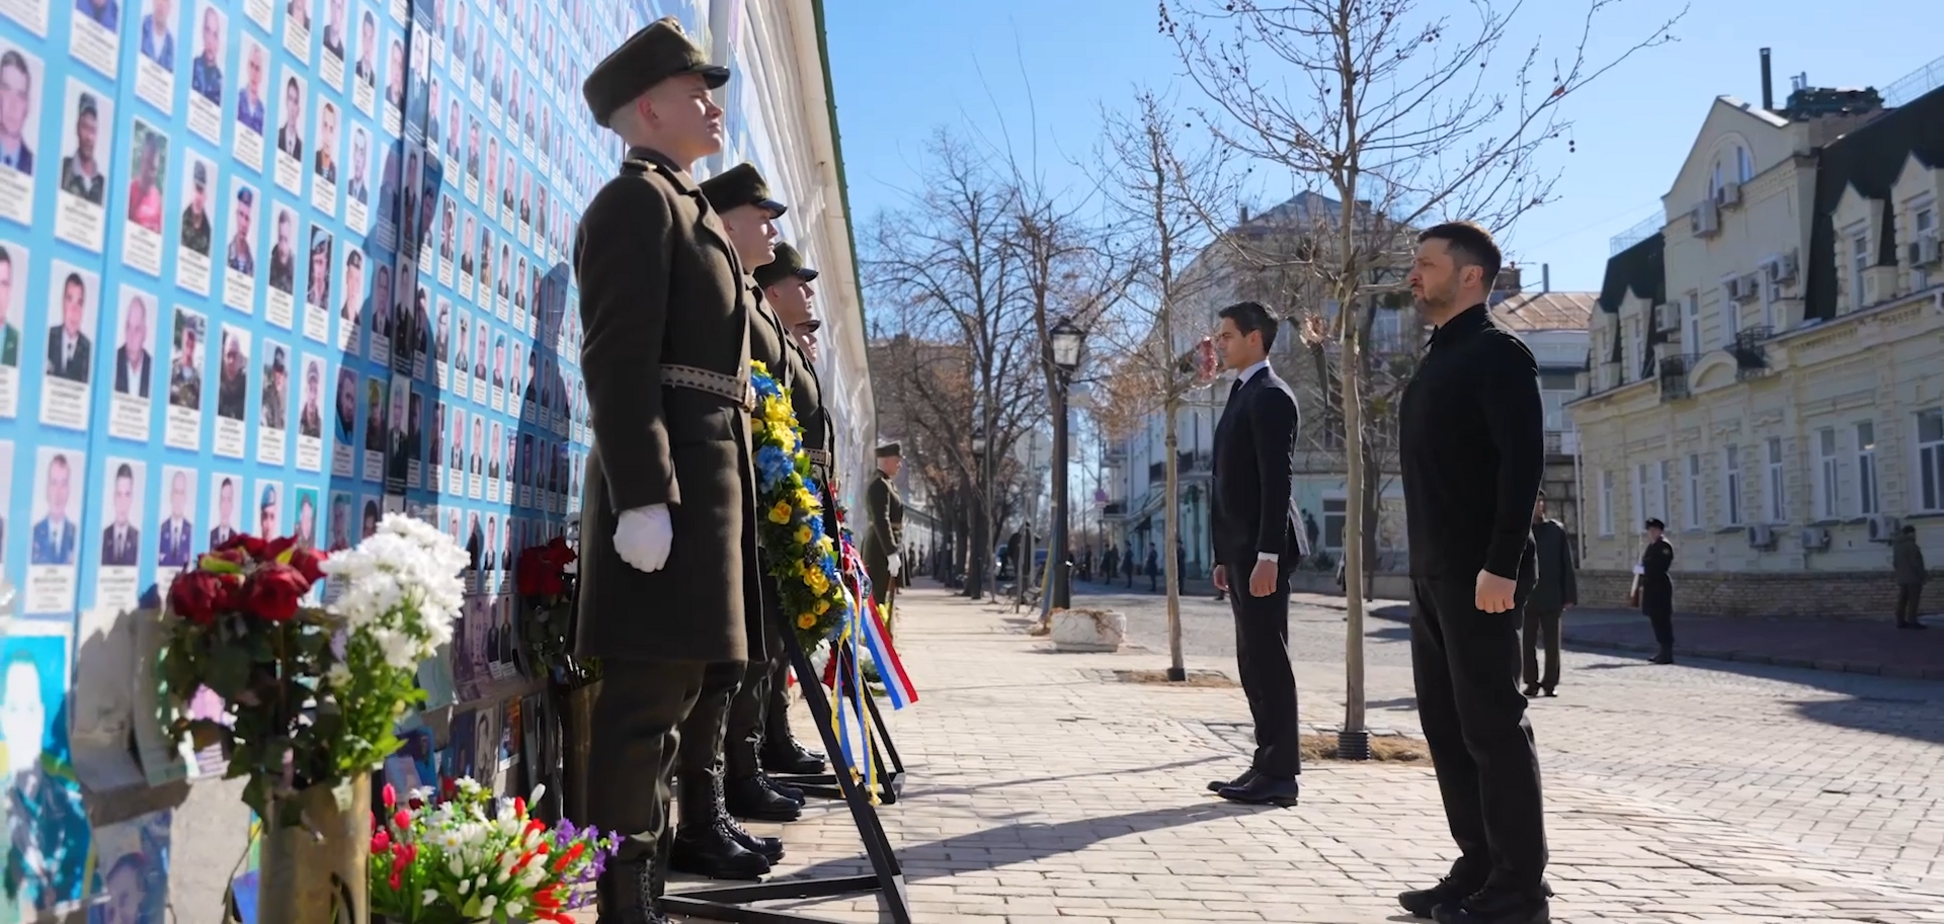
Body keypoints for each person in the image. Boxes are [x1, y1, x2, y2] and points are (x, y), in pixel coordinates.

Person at [573, 20, 755, 922]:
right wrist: (643, 495)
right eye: (696, 91)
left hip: (704, 487)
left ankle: (642, 889)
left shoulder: (682, 205)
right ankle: (623, 901)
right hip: (672, 490)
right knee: (643, 707)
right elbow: (617, 358)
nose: (712, 105)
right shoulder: (636, 204)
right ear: (648, 105)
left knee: (676, 694)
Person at [1395, 221, 1549, 924]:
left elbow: (1523, 466)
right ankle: (1479, 865)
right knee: (1447, 728)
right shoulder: (1437, 357)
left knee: (1492, 726)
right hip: (1433, 574)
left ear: (1472, 277)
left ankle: (1519, 889)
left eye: (1426, 265)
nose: (1414, 276)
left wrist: (1502, 563)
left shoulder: (1498, 354)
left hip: (1479, 576)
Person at [672, 166, 799, 878]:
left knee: (742, 660)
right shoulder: (713, 270)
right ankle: (707, 806)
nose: (774, 231)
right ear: (727, 215)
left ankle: (723, 792)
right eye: (763, 214)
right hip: (711, 486)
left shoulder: (745, 289)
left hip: (748, 490)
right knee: (719, 664)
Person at [1204, 300, 1303, 808]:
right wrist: (1225, 555)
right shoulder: (1241, 391)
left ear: (1255, 338)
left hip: (1264, 553)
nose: (1218, 344)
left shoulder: (1270, 396)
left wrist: (1267, 554)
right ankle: (1265, 763)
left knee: (1270, 660)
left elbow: (1276, 481)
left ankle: (1282, 774)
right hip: (1242, 552)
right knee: (1252, 660)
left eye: (1226, 336)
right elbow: (1230, 481)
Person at [749, 240, 833, 779]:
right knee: (760, 647)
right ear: (774, 290)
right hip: (772, 508)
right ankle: (750, 761)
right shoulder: (764, 331)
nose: (806, 292)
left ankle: (767, 745)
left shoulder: (783, 342)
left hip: (794, 506)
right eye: (798, 283)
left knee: (777, 648)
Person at [1522, 490, 1576, 698]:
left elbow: (1566, 564)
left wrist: (1569, 595)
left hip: (1552, 595)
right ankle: (1531, 681)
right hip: (1528, 596)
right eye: (1533, 502)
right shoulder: (1522, 531)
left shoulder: (1556, 531)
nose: (1536, 506)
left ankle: (1550, 682)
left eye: (1539, 502)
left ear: (1543, 505)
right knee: (1527, 643)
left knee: (1552, 643)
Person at [1637, 518, 1675, 664]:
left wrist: (1643, 570)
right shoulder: (1651, 546)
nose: (1651, 533)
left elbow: (1659, 567)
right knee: (1655, 620)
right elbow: (1644, 565)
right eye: (1649, 531)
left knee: (1663, 619)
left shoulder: (1664, 546)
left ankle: (1667, 652)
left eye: (1654, 530)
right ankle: (1661, 651)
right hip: (1651, 588)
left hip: (1660, 587)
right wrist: (1638, 572)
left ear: (1660, 531)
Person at [30, 454, 78, 566]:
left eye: (63, 484)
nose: (58, 492)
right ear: (46, 489)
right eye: (54, 483)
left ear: (69, 490)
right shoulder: (33, 534)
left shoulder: (76, 536)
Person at [46, 272, 92, 383]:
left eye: (79, 303)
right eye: (69, 300)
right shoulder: (48, 338)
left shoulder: (89, 351)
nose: (74, 310)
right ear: (62, 303)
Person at [59, 93, 104, 205]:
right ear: (77, 128)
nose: (89, 137)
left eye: (92, 130)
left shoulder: (102, 184)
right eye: (85, 127)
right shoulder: (63, 170)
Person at [0, 50, 36, 175]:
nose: (13, 105)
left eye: (20, 95)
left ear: (27, 106)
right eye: (6, 89)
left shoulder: (35, 167)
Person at [100, 463, 140, 567]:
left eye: (127, 495)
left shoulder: (138, 539)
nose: (123, 502)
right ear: (114, 497)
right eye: (119, 494)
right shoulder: (103, 537)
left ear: (132, 498)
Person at [114, 295, 150, 397]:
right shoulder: (113, 360)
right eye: (128, 327)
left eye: (137, 329)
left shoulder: (152, 367)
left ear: (145, 333)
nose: (131, 336)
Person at [1892, 525, 1927, 629]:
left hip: (1902, 578)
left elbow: (1895, 563)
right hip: (1913, 578)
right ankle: (1913, 621)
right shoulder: (1911, 546)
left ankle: (1900, 621)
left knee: (1902, 600)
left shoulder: (1896, 545)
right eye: (1914, 533)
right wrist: (1922, 576)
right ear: (1910, 533)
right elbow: (1916, 563)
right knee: (1913, 601)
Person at [158, 470, 193, 568]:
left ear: (185, 497)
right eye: (176, 492)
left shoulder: (191, 531)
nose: (178, 498)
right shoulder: (161, 529)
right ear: (171, 495)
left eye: (181, 493)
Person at [180, 161, 212, 254]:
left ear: (205, 196)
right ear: (191, 190)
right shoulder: (181, 221)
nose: (198, 197)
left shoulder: (208, 230)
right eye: (196, 189)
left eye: (201, 191)